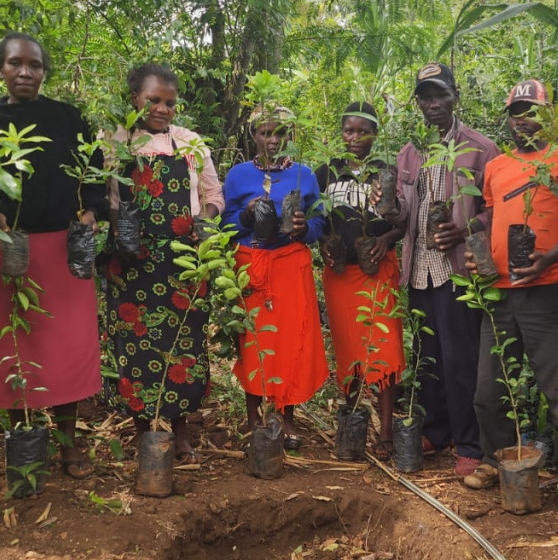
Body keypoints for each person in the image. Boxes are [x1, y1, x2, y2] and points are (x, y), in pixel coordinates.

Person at [0, 33, 104, 482]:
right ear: (0, 68)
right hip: (9, 247)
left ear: (45, 71)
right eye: (15, 64)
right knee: (14, 346)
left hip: (64, 249)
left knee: (68, 346)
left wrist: (90, 210)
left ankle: (68, 446)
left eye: (35, 65)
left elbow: (95, 169)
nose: (25, 72)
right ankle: (24, 447)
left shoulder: (68, 117)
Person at [461, 79, 558, 507]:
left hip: (546, 290)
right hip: (498, 292)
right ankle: (494, 457)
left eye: (532, 110)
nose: (524, 120)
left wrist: (550, 258)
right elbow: (490, 216)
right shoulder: (497, 166)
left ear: (547, 115)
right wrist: (476, 256)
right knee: (488, 388)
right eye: (517, 111)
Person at [99, 63, 224, 483]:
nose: (163, 109)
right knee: (136, 347)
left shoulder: (191, 144)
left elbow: (213, 195)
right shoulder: (115, 141)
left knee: (184, 344)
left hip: (181, 261)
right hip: (132, 262)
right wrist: (116, 221)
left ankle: (181, 430)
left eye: (170, 103)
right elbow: (104, 197)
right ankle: (145, 431)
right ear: (134, 97)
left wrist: (205, 219)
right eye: (153, 100)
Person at [394, 62, 500, 475]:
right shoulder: (410, 150)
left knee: (461, 359)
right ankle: (436, 430)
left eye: (441, 95)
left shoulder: (479, 148)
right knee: (427, 357)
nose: (433, 104)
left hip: (458, 271)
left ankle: (470, 443)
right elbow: (403, 213)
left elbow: (495, 209)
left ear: (456, 96)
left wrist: (464, 230)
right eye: (425, 97)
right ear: (418, 103)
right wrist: (387, 205)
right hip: (419, 268)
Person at [222, 104, 328, 447]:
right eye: (265, 133)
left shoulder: (303, 174)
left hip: (289, 264)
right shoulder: (238, 175)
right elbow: (224, 222)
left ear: (290, 136)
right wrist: (247, 216)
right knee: (254, 341)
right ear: (253, 135)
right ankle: (253, 419)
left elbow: (320, 222)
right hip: (251, 263)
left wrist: (304, 228)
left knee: (289, 341)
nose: (272, 140)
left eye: (280, 133)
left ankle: (286, 418)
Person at [317, 102, 405, 459]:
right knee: (350, 349)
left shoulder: (387, 171)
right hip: (341, 275)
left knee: (385, 349)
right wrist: (325, 244)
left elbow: (403, 219)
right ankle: (353, 423)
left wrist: (385, 240)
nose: (353, 138)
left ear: (374, 134)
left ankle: (385, 432)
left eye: (361, 131)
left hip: (378, 270)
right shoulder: (327, 171)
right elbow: (317, 220)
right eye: (347, 131)